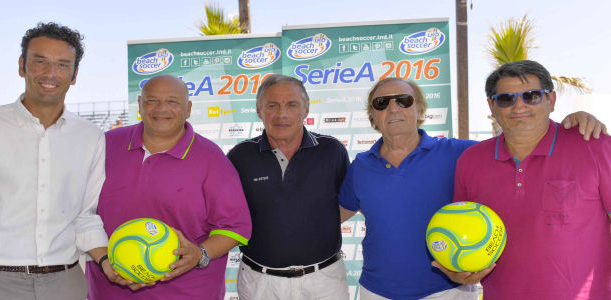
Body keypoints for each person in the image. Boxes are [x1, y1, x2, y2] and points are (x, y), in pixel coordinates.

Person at [338, 76, 607, 300]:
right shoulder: (361, 166)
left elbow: (520, 139)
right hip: (377, 291)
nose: (394, 108)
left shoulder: (463, 154)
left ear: (419, 109)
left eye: (404, 101)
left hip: (448, 291)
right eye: (382, 103)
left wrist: (576, 123)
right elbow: (335, 214)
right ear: (373, 115)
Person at [0, 22, 131, 300]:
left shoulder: (90, 137)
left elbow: (85, 218)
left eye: (62, 64)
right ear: (22, 66)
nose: (50, 73)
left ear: (75, 75)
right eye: (40, 61)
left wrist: (107, 262)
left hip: (65, 284)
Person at [450, 60, 610, 299]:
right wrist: (458, 271)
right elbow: (461, 232)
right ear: (492, 106)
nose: (519, 106)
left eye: (532, 96)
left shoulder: (594, 145)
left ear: (551, 100)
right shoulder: (470, 161)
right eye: (506, 99)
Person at [85, 74, 251, 300]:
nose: (161, 109)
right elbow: (80, 212)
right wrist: (104, 259)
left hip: (188, 294)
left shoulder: (211, 158)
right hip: (109, 292)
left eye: (172, 101)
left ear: (188, 108)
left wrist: (199, 254)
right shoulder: (105, 145)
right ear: (140, 105)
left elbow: (234, 227)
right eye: (152, 100)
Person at [227, 74, 350, 300]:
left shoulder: (332, 151)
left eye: (291, 105)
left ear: (306, 110)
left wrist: (313, 222)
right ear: (259, 111)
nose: (281, 114)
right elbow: (227, 214)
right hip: (259, 283)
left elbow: (349, 202)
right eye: (272, 105)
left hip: (325, 281)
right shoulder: (240, 156)